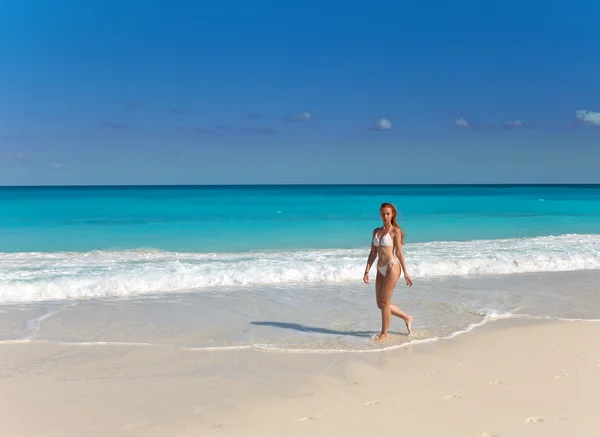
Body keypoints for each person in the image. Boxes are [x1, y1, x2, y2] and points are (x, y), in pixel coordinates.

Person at [363, 202, 413, 341]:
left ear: (392, 215)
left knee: (385, 301)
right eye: (383, 214)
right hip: (380, 268)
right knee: (380, 304)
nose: (385, 216)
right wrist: (366, 271)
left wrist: (406, 272)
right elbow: (372, 254)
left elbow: (399, 253)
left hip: (392, 266)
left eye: (388, 214)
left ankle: (384, 334)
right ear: (380, 214)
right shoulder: (376, 231)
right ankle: (407, 317)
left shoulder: (395, 231)